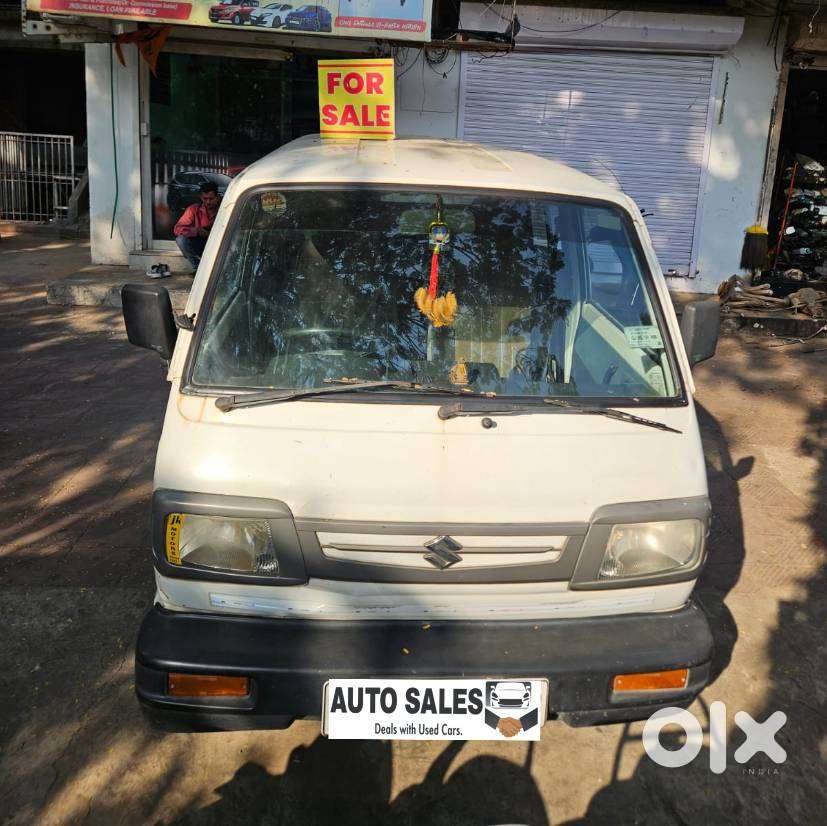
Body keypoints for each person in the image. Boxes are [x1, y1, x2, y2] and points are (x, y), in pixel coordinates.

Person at [173, 180, 221, 271]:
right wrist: (197, 231)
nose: (208, 202)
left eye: (211, 199)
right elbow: (177, 229)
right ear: (201, 197)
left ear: (217, 197)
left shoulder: (225, 209)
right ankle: (198, 268)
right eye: (205, 199)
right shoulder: (193, 209)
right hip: (200, 245)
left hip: (218, 245)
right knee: (180, 240)